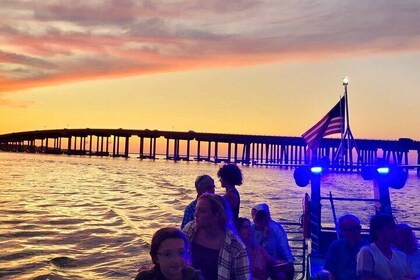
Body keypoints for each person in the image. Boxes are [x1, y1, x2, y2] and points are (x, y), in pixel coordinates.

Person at [183, 193, 251, 280]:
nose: (195, 214)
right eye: (196, 210)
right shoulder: (190, 229)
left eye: (202, 211)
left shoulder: (236, 247)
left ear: (217, 215)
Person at [357, 213, 414, 280]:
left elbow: (411, 277)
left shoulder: (401, 255)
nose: (395, 231)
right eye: (390, 228)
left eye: (395, 228)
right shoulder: (367, 251)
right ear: (378, 231)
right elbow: (365, 278)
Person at [135, 227, 204, 280]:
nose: (176, 261)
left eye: (181, 252)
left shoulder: (194, 277)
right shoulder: (145, 278)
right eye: (168, 254)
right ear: (156, 257)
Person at [252, 203, 295, 280]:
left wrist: (290, 261)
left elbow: (283, 245)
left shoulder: (275, 228)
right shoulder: (251, 228)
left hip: (273, 262)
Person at [322, 214, 367, 280]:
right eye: (348, 229)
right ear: (342, 231)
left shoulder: (368, 248)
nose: (354, 232)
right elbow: (332, 273)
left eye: (357, 228)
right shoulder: (336, 247)